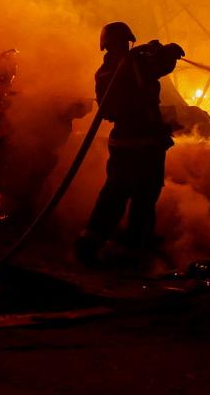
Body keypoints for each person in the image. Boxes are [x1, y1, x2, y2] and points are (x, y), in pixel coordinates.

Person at [76, 21, 183, 264]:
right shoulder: (133, 63)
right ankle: (134, 245)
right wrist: (169, 51)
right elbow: (160, 66)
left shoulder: (104, 72)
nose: (126, 46)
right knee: (145, 194)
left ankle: (90, 241)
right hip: (144, 142)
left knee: (115, 192)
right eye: (124, 42)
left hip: (122, 141)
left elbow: (109, 110)